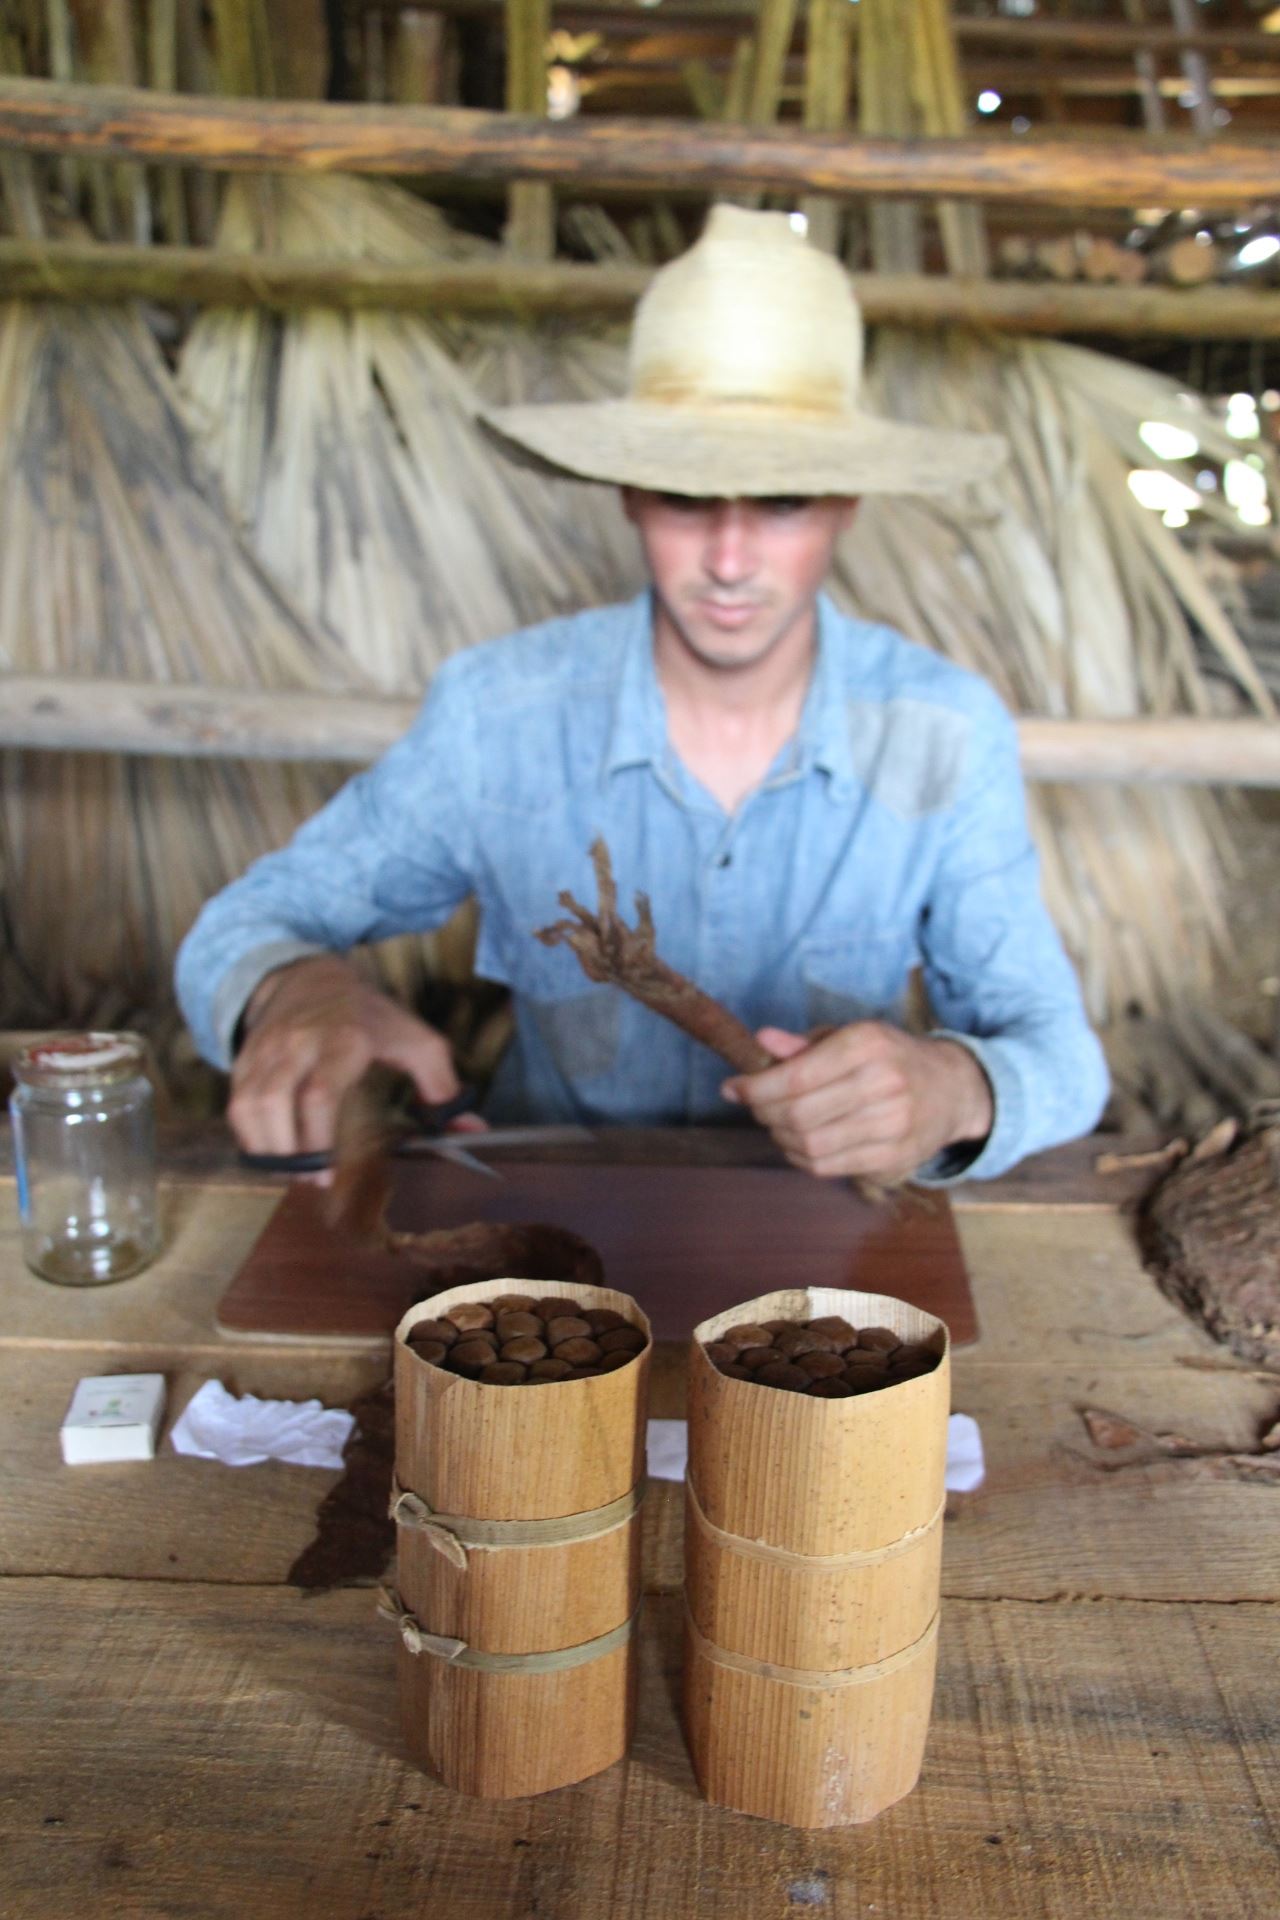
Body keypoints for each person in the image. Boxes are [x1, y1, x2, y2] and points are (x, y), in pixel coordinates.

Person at [176, 206, 1108, 1186]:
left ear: (845, 504)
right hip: (553, 1241)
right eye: (684, 496)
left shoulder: (942, 732)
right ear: (625, 492)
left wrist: (949, 1087)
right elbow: (241, 925)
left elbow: (1060, 1054)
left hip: (837, 1254)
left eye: (782, 502)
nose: (729, 559)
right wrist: (297, 987)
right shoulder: (499, 716)